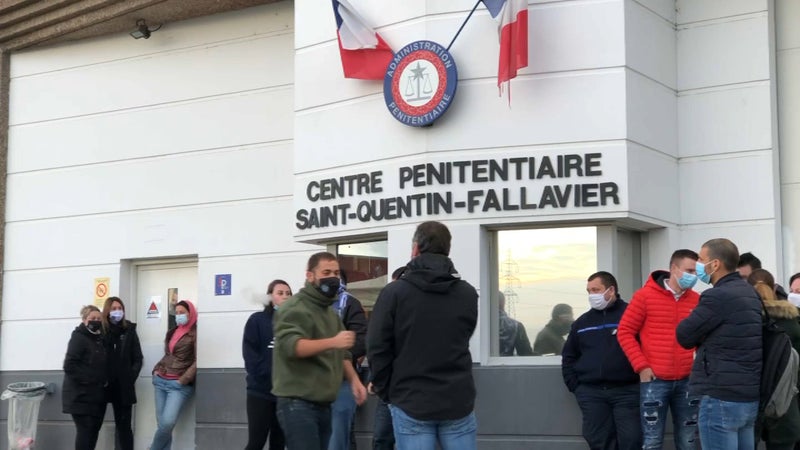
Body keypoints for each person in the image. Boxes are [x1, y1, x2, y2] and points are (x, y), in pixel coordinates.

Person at [367, 221, 479, 450]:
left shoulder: (394, 293)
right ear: (447, 249)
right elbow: (463, 337)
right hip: (457, 400)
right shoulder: (467, 293)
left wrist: (387, 391)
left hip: (410, 401)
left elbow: (377, 346)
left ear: (416, 248)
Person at [272, 252, 367, 450]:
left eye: (336, 273)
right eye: (326, 272)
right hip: (298, 402)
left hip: (324, 401)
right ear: (310, 276)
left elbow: (342, 353)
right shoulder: (294, 307)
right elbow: (293, 346)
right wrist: (333, 341)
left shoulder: (329, 312)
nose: (332, 277)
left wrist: (355, 380)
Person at [676, 238, 762, 450]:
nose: (697, 265)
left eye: (701, 259)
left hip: (720, 396)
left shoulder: (716, 296)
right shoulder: (748, 292)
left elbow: (684, 335)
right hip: (747, 396)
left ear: (715, 264)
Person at [617, 249, 701, 450]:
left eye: (696, 272)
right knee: (652, 442)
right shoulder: (644, 296)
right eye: (689, 270)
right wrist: (642, 367)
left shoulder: (697, 300)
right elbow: (625, 331)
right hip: (655, 381)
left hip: (688, 381)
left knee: (688, 441)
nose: (693, 276)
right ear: (674, 268)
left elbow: (702, 336)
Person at [561, 271, 641, 450]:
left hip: (627, 392)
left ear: (611, 290)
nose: (592, 295)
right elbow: (569, 357)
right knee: (598, 441)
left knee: (632, 440)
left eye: (596, 290)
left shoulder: (631, 315)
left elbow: (647, 348)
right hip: (592, 394)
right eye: (589, 291)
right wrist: (576, 386)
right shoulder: (582, 323)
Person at [748, 269, 800, 450]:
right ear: (775, 287)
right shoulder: (791, 320)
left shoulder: (745, 319)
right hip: (785, 400)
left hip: (749, 397)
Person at [242, 280, 291, 450]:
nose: (285, 296)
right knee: (256, 442)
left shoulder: (294, 323)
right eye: (280, 293)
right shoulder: (257, 320)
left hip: (285, 394)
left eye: (288, 293)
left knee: (278, 443)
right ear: (270, 297)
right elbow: (250, 356)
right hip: (260, 393)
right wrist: (267, 374)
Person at [150, 300, 197, 450]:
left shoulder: (195, 333)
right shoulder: (173, 331)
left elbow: (199, 359)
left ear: (191, 313)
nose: (179, 316)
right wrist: (156, 370)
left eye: (182, 312)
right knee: (163, 426)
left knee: (168, 423)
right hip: (161, 380)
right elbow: (168, 355)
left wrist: (184, 379)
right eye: (176, 313)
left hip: (178, 385)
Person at [329, 269, 367, 450]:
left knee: (340, 437)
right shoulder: (309, 306)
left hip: (341, 380)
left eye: (334, 274)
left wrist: (337, 353)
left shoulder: (350, 303)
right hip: (311, 381)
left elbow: (361, 340)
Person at [62, 305, 108, 450]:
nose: (96, 321)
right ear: (84, 320)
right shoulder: (79, 337)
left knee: (93, 432)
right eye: (92, 318)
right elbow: (69, 365)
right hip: (80, 397)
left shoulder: (99, 338)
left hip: (96, 397)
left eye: (98, 318)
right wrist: (90, 379)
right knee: (86, 432)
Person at [369, 266, 405, 450]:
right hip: (387, 389)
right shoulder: (387, 312)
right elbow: (378, 345)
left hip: (407, 389)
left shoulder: (413, 315)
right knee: (382, 439)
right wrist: (376, 380)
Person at [101, 296, 143, 450]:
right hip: (104, 386)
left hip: (123, 387)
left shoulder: (129, 330)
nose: (117, 311)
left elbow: (138, 358)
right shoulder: (102, 330)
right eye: (114, 309)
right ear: (107, 311)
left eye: (120, 308)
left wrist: (130, 377)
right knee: (94, 424)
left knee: (124, 427)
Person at [498, 292, 534, 356]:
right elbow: (526, 354)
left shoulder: (480, 324)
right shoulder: (516, 326)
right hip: (506, 364)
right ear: (503, 303)